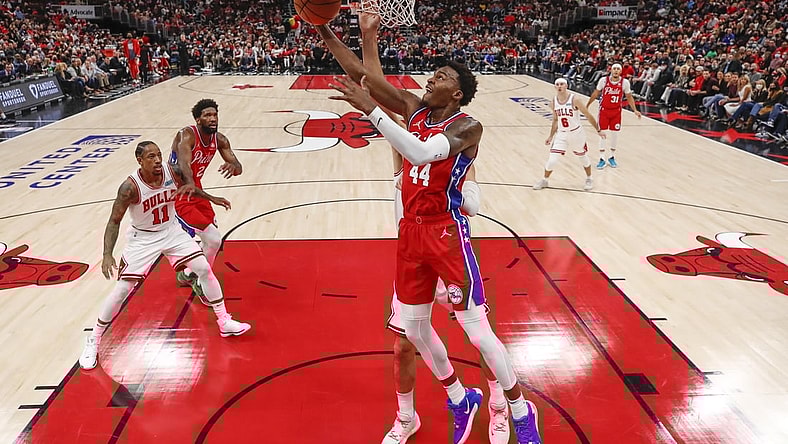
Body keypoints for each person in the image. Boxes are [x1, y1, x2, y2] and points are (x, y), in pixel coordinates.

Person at [316, 17, 542, 444]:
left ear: (455, 93)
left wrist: (370, 110)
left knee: (477, 331)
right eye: (432, 73)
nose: (430, 79)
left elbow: (419, 153)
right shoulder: (414, 108)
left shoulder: (466, 126)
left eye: (440, 77)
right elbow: (363, 75)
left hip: (446, 235)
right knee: (414, 331)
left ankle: (517, 406)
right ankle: (460, 398)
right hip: (410, 235)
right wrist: (323, 30)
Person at [353, 13, 511, 444]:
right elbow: (372, 83)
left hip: (448, 244)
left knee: (479, 336)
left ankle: (499, 407)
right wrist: (367, 36)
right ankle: (416, 414)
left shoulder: (456, 138)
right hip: (412, 244)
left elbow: (464, 197)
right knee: (405, 341)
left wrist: (462, 193)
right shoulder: (411, 124)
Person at [79, 141, 250, 370]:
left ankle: (224, 320)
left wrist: (211, 198)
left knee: (203, 268)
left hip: (171, 230)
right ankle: (94, 339)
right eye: (151, 157)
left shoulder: (172, 171)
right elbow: (114, 221)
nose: (157, 160)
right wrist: (107, 254)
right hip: (143, 238)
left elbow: (191, 184)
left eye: (159, 155)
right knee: (122, 289)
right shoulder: (129, 187)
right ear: (140, 161)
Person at [169, 99, 243, 303]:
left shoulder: (220, 139)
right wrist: (204, 192)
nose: (212, 119)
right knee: (213, 239)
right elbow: (184, 164)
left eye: (214, 115)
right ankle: (201, 281)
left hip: (196, 190)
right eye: (207, 115)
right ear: (197, 119)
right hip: (177, 192)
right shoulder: (187, 135)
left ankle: (188, 273)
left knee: (211, 240)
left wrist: (233, 166)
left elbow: (238, 166)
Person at [534, 78, 603, 191]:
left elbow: (587, 115)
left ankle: (589, 178)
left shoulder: (574, 99)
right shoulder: (553, 102)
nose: (559, 86)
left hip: (576, 133)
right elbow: (556, 120)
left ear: (566, 86)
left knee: (582, 157)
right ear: (555, 87)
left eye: (562, 84)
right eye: (557, 84)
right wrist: (551, 136)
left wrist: (598, 130)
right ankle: (545, 180)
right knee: (552, 160)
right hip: (562, 134)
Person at [585, 63, 641, 169]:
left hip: (616, 111)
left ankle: (611, 157)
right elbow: (596, 93)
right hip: (604, 111)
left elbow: (629, 97)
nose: (615, 70)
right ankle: (601, 158)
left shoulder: (625, 82)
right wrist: (588, 105)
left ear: (620, 71)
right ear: (611, 70)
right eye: (614, 69)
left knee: (615, 134)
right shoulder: (603, 80)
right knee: (602, 134)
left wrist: (635, 110)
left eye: (618, 69)